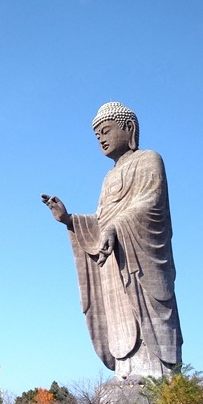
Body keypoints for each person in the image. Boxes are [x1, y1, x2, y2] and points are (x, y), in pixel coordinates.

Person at [42, 102, 182, 381]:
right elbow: (101, 220)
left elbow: (150, 203)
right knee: (120, 319)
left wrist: (116, 227)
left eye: (106, 131)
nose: (102, 140)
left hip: (139, 258)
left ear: (127, 128)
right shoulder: (108, 177)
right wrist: (69, 220)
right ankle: (126, 371)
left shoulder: (148, 160)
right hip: (114, 260)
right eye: (97, 137)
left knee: (146, 315)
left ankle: (155, 373)